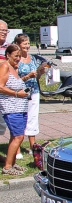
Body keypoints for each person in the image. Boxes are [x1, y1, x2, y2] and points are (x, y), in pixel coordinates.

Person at [14, 34, 48, 155]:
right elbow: (14, 80)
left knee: (33, 118)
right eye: (24, 44)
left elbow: (36, 77)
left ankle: (32, 146)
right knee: (19, 120)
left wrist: (40, 73)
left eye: (28, 43)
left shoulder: (33, 59)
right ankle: (17, 149)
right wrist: (28, 76)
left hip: (34, 92)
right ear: (18, 45)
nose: (27, 46)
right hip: (20, 93)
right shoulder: (16, 60)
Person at [0, 44, 30, 175]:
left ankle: (12, 163)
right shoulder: (5, 66)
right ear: (8, 55)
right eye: (15, 56)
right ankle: (7, 167)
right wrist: (17, 94)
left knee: (16, 136)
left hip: (20, 107)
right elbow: (0, 87)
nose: (18, 58)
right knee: (18, 136)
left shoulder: (13, 67)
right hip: (11, 108)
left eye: (19, 56)